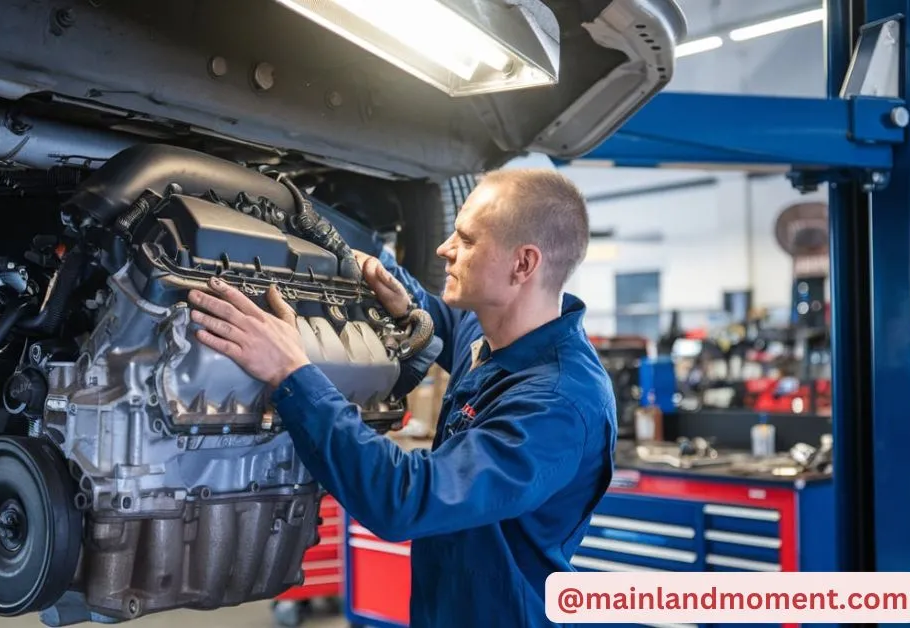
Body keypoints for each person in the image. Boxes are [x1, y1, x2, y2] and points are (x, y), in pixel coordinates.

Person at [186, 169, 616, 627]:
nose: (444, 248)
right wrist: (401, 294)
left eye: (466, 241)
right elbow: (442, 324)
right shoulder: (500, 333)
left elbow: (406, 499)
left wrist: (291, 372)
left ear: (523, 264)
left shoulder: (559, 404)